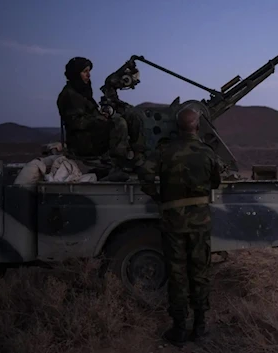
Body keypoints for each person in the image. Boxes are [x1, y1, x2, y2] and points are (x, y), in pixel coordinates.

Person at [137, 106, 221, 346]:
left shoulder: (164, 151)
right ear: (197, 126)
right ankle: (201, 326)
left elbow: (144, 174)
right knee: (200, 272)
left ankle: (179, 329)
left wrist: (158, 197)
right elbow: (215, 182)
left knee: (177, 274)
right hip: (200, 223)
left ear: (177, 126)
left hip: (173, 223)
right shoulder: (207, 153)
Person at [56, 56, 147, 168]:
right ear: (76, 74)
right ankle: (118, 162)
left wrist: (101, 115)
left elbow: (90, 114)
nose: (88, 75)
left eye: (89, 71)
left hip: (92, 134)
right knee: (118, 123)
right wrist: (100, 119)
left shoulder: (82, 91)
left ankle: (138, 156)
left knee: (132, 116)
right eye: (85, 72)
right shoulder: (69, 95)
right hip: (82, 142)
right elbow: (76, 122)